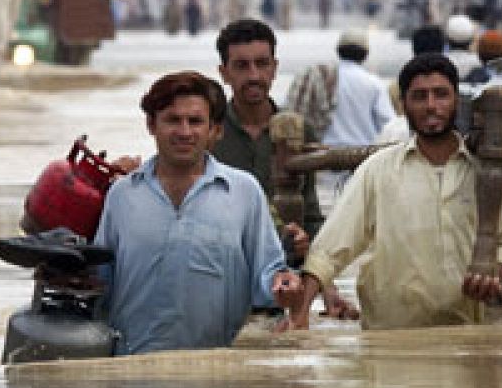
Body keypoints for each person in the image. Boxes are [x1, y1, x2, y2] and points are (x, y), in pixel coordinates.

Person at [291, 53, 502, 330]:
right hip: (392, 341)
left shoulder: (484, 175)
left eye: (441, 95)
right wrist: (299, 316)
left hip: (467, 337)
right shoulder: (377, 171)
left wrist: (492, 274)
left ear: (456, 102)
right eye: (419, 97)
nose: (431, 106)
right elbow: (330, 249)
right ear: (404, 106)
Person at [94, 72, 300, 355]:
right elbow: (98, 285)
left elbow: (268, 275)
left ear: (215, 130)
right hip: (133, 371)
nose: (184, 132)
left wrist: (284, 284)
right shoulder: (122, 196)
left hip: (217, 374)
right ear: (151, 125)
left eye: (195, 121)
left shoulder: (243, 192)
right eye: (172, 120)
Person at [212, 20, 356, 319]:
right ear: (224, 73)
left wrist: (328, 289)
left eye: (262, 64)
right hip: (220, 285)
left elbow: (312, 216)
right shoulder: (206, 132)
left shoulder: (299, 131)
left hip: (283, 287)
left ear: (275, 68)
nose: (254, 75)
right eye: (241, 66)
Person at [322, 29, 395, 148]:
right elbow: (387, 123)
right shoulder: (374, 83)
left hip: (326, 154)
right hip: (363, 156)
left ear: (338, 51)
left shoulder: (324, 80)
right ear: (365, 54)